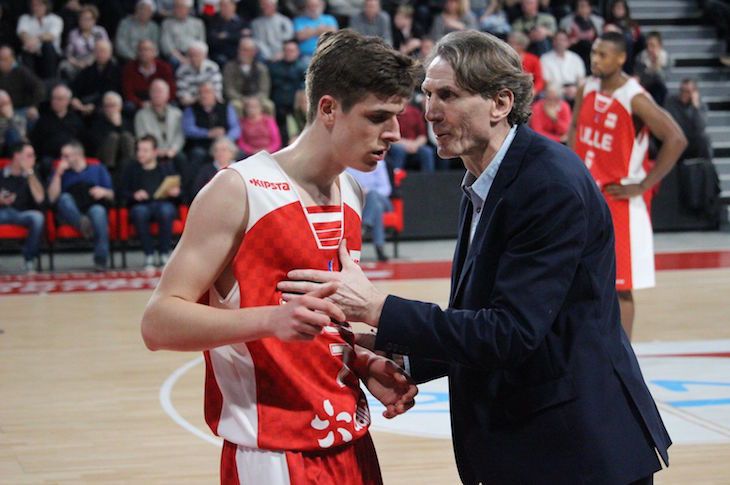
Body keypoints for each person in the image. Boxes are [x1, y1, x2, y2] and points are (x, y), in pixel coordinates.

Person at [278, 30, 673, 484]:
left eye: (447, 95)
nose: (430, 112)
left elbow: (509, 333)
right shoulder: (486, 176)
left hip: (579, 452)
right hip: (542, 446)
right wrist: (401, 357)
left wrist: (377, 308)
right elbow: (481, 319)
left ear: (500, 103)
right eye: (428, 95)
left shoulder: (548, 185)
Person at [140, 29, 421, 484]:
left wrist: (361, 362)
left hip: (350, 440)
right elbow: (157, 323)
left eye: (396, 117)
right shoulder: (238, 190)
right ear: (328, 109)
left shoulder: (352, 191)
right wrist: (270, 320)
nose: (394, 133)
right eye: (378, 117)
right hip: (273, 453)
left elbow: (322, 322)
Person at [568, 32, 687, 338]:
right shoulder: (586, 87)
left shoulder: (634, 97)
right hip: (584, 196)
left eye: (603, 54)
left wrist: (643, 184)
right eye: (594, 53)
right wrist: (569, 169)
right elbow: (575, 126)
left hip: (618, 201)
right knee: (576, 279)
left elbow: (676, 139)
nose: (595, 59)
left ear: (621, 58)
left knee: (620, 287)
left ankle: (621, 356)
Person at [47, 140, 114, 271]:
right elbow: (52, 198)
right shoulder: (60, 172)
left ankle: (100, 260)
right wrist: (58, 174)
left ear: (78, 155)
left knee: (99, 211)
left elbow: (112, 194)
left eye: (66, 156)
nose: (62, 160)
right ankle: (83, 224)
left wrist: (103, 192)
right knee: (64, 198)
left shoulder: (98, 169)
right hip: (70, 212)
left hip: (92, 206)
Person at [121, 135, 180, 270]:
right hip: (141, 205)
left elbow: (180, 193)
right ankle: (149, 254)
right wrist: (134, 195)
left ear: (154, 152)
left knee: (166, 210)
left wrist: (176, 192)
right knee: (140, 212)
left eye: (145, 150)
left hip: (163, 203)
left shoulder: (166, 168)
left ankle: (164, 253)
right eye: (139, 150)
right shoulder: (131, 168)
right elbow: (122, 192)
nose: (140, 153)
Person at [0, 142, 45, 273]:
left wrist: (30, 173)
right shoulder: (2, 174)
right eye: (29, 155)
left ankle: (29, 259)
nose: (34, 159)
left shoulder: (32, 174)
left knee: (37, 218)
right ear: (17, 156)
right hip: (2, 212)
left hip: (23, 214)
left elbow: (40, 198)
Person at [346, 159, 392, 261]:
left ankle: (365, 224)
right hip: (360, 201)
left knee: (373, 195)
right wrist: (361, 192)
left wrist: (369, 192)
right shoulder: (349, 163)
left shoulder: (379, 163)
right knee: (377, 208)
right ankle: (379, 248)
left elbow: (386, 189)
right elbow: (346, 186)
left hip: (382, 199)